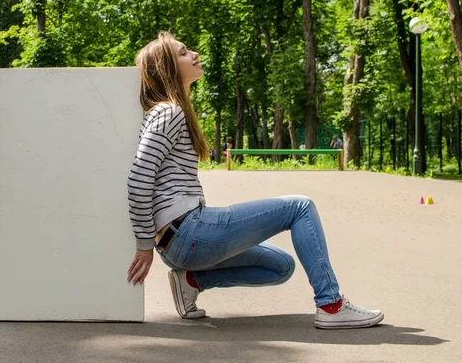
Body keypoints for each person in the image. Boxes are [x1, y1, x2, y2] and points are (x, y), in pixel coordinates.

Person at [126, 32, 384, 329]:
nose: (194, 54)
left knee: (280, 267)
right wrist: (144, 243)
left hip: (183, 241)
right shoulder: (169, 112)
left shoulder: (171, 111)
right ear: (167, 67)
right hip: (186, 231)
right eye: (183, 52)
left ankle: (192, 281)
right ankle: (331, 304)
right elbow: (138, 178)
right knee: (300, 207)